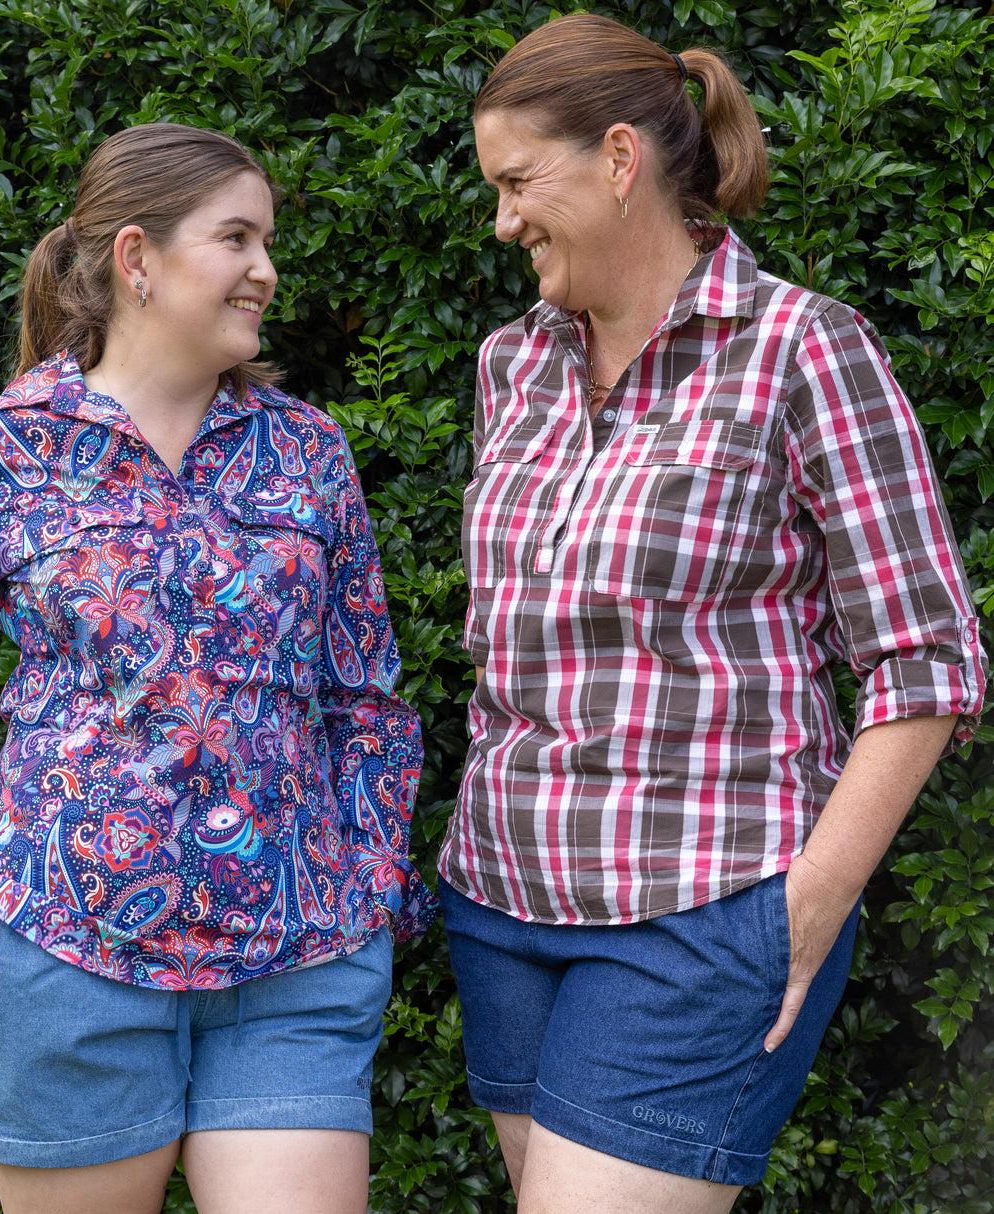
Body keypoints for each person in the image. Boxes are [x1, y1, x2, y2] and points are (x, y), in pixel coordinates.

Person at [0, 122, 434, 1214]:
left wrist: (371, 877)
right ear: (136, 259)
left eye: (267, 238)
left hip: (297, 956)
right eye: (234, 237)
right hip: (65, 949)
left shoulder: (307, 450)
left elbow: (362, 697)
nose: (266, 270)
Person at [437, 14, 986, 1213]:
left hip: (703, 902)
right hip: (502, 900)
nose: (500, 219)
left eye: (518, 182)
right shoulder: (511, 361)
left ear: (619, 160)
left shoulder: (802, 349)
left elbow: (925, 660)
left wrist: (804, 910)